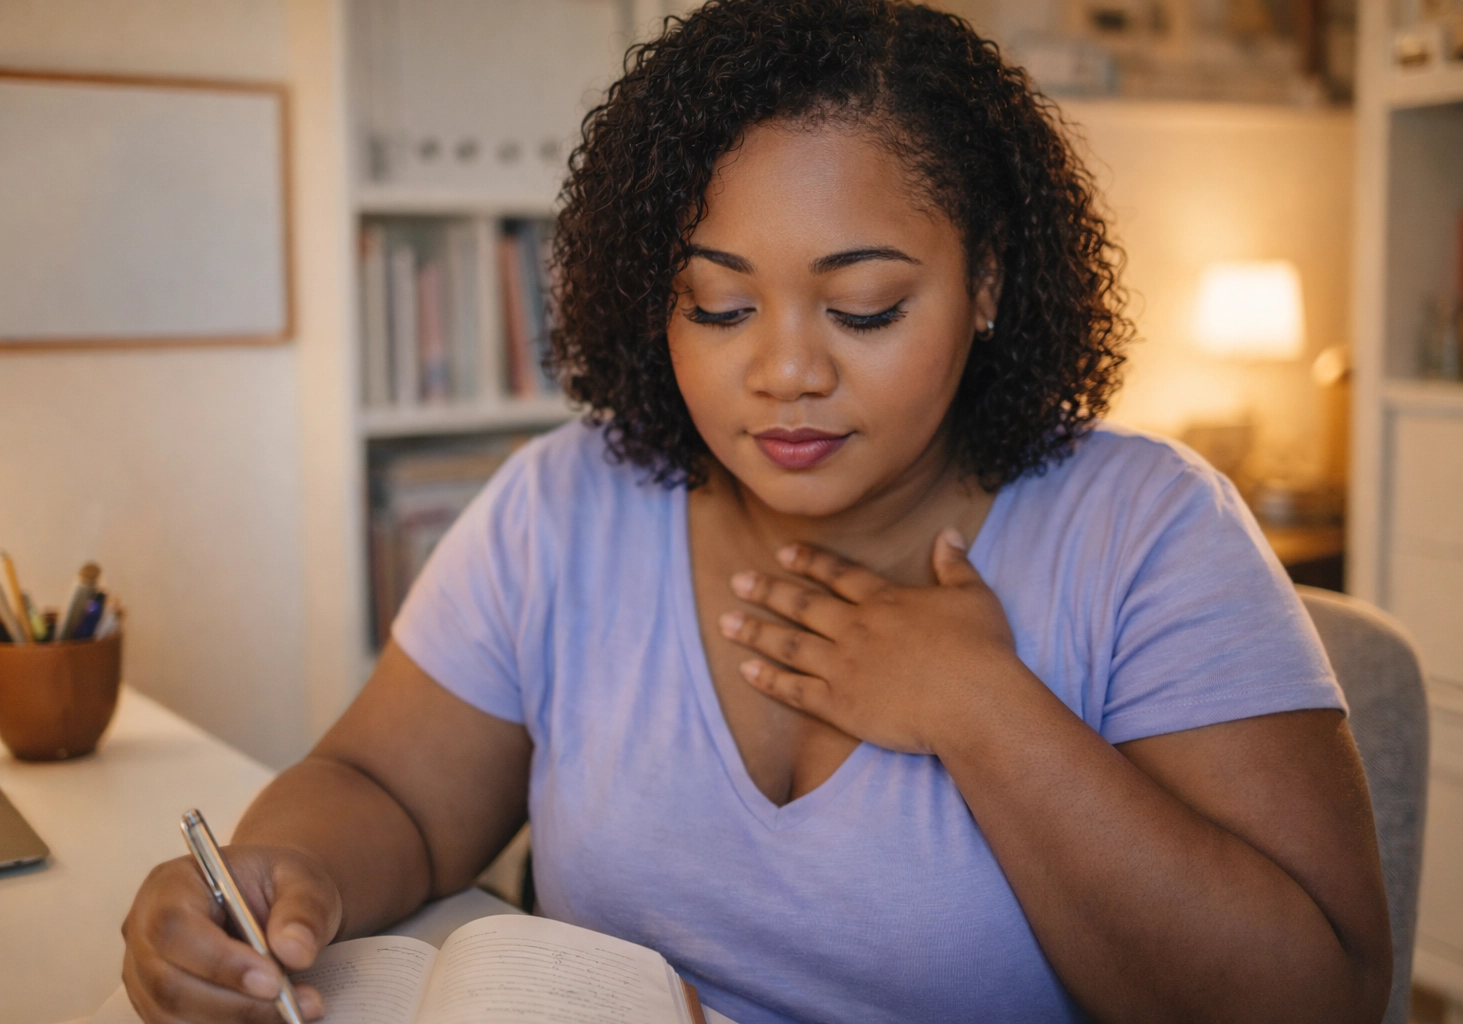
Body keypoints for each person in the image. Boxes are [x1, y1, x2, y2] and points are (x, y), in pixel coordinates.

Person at [121, 2, 1393, 1021]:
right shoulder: (569, 504)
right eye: (718, 307)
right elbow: (383, 785)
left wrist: (986, 714)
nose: (784, 370)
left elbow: (1318, 994)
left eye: (866, 307)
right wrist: (278, 880)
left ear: (988, 279)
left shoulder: (1150, 532)